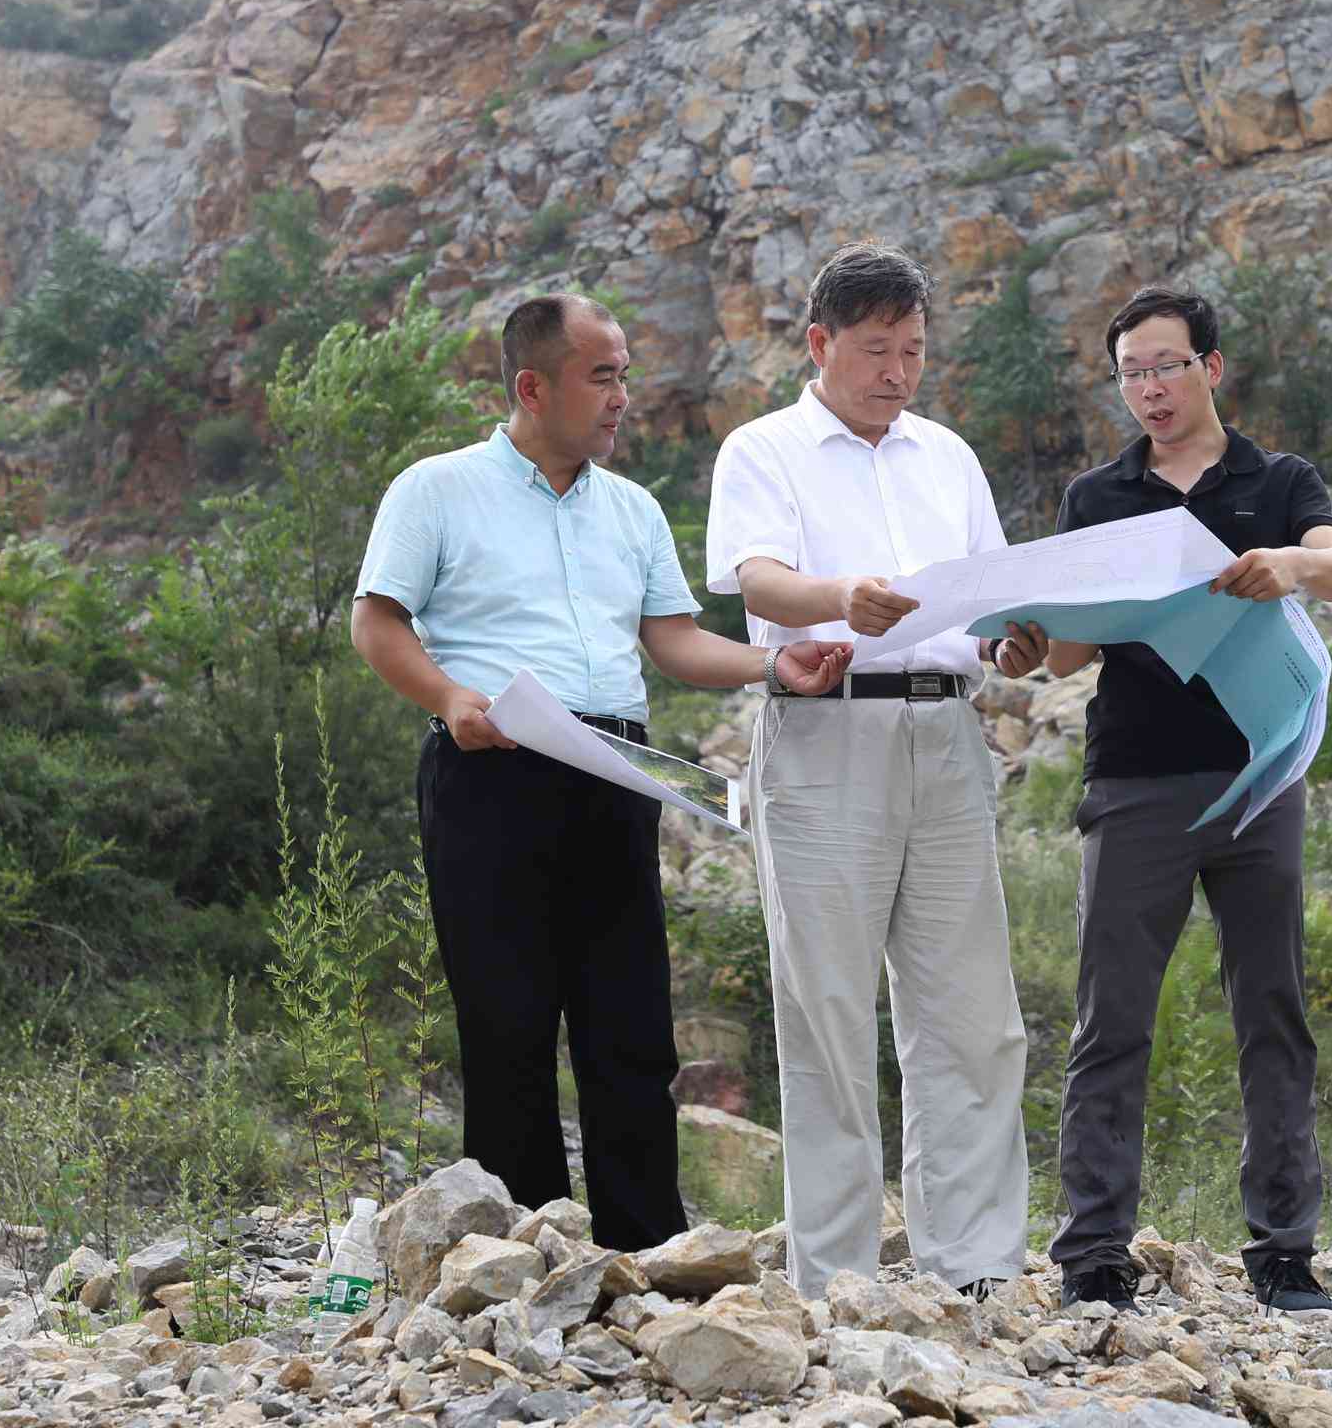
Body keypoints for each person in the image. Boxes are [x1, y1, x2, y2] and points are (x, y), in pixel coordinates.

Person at [350, 293, 850, 1252]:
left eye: (626, 375)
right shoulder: (436, 490)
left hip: (618, 776)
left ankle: (645, 1251)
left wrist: (771, 665)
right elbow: (376, 622)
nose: (624, 396)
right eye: (603, 376)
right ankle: (519, 1255)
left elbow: (672, 641)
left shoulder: (633, 508)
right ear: (533, 387)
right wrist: (448, 697)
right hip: (491, 767)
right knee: (507, 1024)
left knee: (630, 1022)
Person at [1004, 284, 1332, 1313]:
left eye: (1166, 366)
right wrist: (1027, 649)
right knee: (1111, 1019)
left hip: (1260, 777)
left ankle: (1284, 1251)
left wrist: (1287, 564)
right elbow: (1069, 647)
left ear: (1210, 367)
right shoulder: (1097, 496)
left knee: (1273, 1011)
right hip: (1134, 782)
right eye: (1131, 374)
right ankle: (1093, 1255)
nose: (1150, 388)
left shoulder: (1278, 479)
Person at [704, 242, 1040, 1298]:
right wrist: (839, 597)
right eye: (877, 350)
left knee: (970, 1012)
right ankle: (836, 1282)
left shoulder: (948, 456)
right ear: (820, 343)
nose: (898, 372)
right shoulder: (764, 448)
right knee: (828, 1011)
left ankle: (974, 1269)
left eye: (915, 350)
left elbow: (985, 602)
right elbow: (756, 577)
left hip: (948, 731)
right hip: (826, 730)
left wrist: (1009, 644)